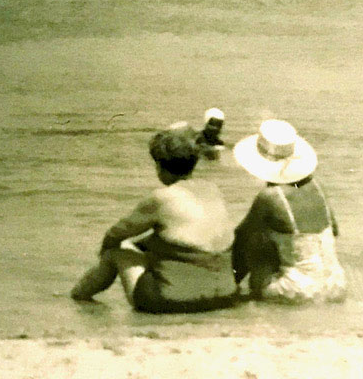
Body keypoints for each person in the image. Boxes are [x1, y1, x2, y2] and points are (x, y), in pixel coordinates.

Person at [71, 124, 240, 313]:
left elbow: (114, 235)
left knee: (116, 252)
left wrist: (104, 255)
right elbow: (189, 240)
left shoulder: (161, 198)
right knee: (155, 248)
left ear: (159, 166)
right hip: (225, 296)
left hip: (173, 300)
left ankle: (78, 299)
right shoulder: (213, 190)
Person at [231, 119, 346, 303]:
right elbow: (335, 231)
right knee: (276, 236)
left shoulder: (270, 197)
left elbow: (242, 238)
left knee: (256, 241)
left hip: (298, 290)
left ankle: (233, 293)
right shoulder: (318, 187)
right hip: (336, 284)